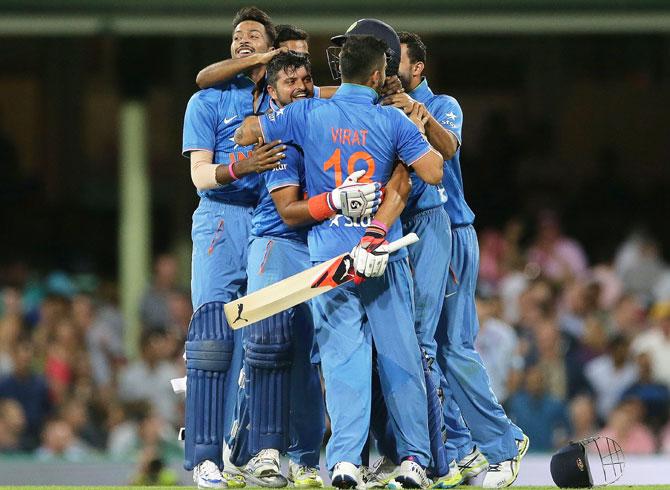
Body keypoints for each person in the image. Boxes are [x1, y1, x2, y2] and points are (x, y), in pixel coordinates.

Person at [235, 34, 444, 489]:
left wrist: (276, 127)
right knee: (399, 356)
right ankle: (414, 460)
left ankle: (345, 462)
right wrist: (413, 128)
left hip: (329, 256)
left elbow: (246, 133)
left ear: (339, 73)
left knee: (341, 359)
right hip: (381, 253)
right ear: (376, 76)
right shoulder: (392, 121)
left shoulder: (306, 113)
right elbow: (434, 171)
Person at [227, 51, 382, 488]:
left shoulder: (320, 118)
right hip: (279, 243)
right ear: (270, 92)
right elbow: (289, 211)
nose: (298, 85)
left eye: (305, 79)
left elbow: (340, 96)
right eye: (288, 80)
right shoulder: (278, 137)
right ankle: (260, 451)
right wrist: (334, 201)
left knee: (321, 354)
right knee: (267, 345)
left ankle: (307, 458)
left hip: (321, 244)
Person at [388, 31, 529, 487]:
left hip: (449, 230)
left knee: (451, 346)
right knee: (431, 349)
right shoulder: (384, 109)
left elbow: (448, 148)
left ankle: (502, 443)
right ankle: (459, 448)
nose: (391, 72)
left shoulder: (442, 104)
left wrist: (417, 113)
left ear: (417, 69)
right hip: (414, 234)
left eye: (398, 63)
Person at [181, 6, 285, 488]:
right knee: (210, 337)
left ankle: (253, 453)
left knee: (266, 340)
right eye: (237, 36)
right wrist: (241, 167)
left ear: (270, 45)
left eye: (254, 35)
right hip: (221, 218)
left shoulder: (280, 99)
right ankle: (204, 456)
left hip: (271, 222)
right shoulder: (207, 101)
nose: (243, 40)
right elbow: (201, 175)